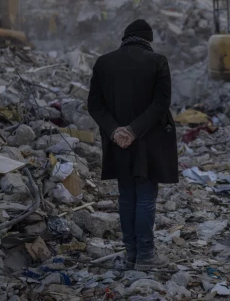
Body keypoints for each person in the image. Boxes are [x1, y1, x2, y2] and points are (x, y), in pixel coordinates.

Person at [87, 19, 178, 271]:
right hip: (148, 140)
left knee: (126, 196)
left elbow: (94, 105)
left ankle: (131, 255)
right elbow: (161, 103)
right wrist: (134, 130)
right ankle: (146, 257)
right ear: (147, 40)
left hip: (118, 142)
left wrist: (116, 130)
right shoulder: (157, 61)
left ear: (125, 37)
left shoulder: (103, 62)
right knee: (146, 196)